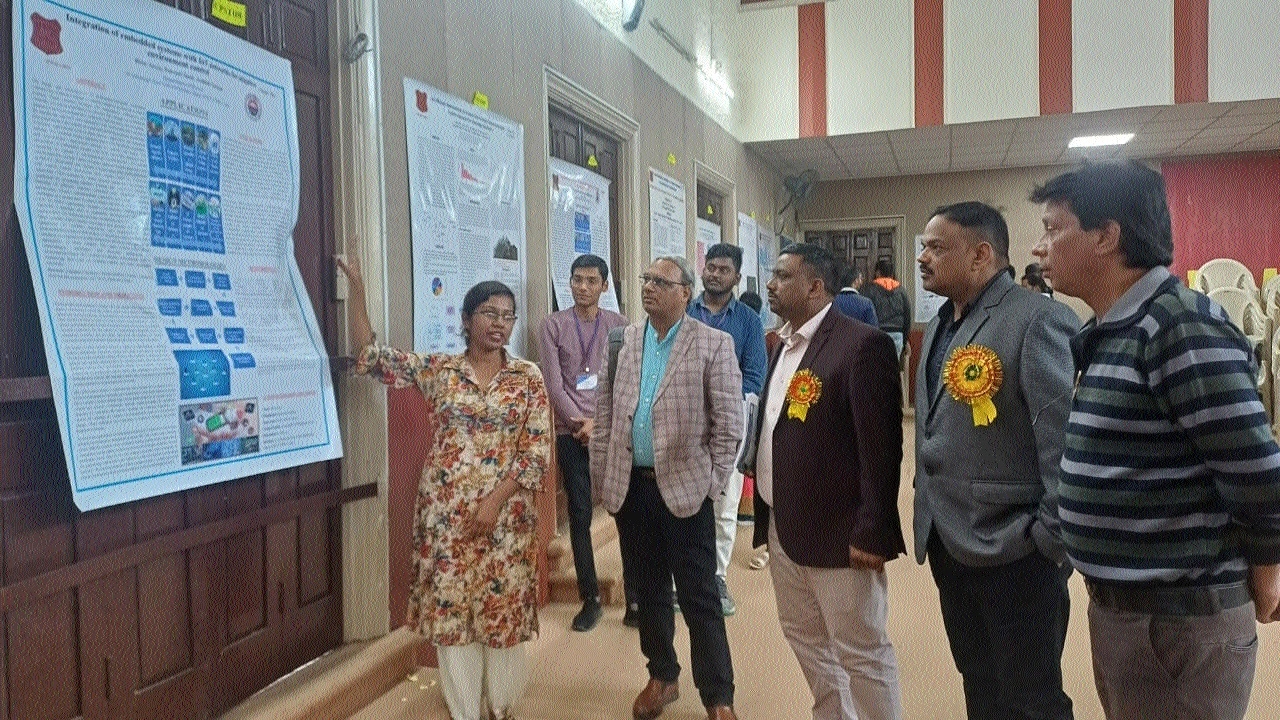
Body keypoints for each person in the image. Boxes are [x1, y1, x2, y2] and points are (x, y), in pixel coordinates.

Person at [1030, 160, 1280, 720]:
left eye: (1053, 228)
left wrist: (1266, 570)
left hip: (1182, 618)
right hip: (1130, 610)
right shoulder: (1114, 327)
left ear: (1106, 236)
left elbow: (1257, 473)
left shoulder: (1179, 326)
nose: (1040, 247)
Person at [338, 252, 550, 720]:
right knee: (454, 611)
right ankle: (464, 711)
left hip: (508, 516)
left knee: (501, 607)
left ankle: (501, 706)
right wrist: (357, 286)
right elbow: (372, 358)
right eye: (489, 313)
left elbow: (535, 453)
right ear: (467, 319)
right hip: (446, 515)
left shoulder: (528, 378)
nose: (500, 323)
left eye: (507, 315)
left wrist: (495, 501)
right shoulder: (441, 371)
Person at [914, 201, 1079, 720]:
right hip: (950, 540)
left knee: (1031, 698)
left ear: (982, 254)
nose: (922, 258)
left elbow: (1064, 445)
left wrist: (1047, 539)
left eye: (936, 247)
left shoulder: (1037, 320)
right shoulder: (943, 322)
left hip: (1015, 551)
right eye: (922, 245)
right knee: (980, 683)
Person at [745, 243, 906, 720]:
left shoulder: (860, 344)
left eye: (781, 276)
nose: (770, 285)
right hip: (783, 528)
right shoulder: (784, 342)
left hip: (840, 534)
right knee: (809, 644)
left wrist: (873, 531)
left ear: (815, 287)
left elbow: (881, 452)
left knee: (861, 652)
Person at [592, 256, 743, 720]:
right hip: (632, 492)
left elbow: (729, 426)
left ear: (686, 293)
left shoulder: (713, 344)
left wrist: (711, 484)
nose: (649, 287)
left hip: (685, 492)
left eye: (661, 281)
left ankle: (719, 698)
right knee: (649, 590)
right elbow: (604, 416)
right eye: (646, 280)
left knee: (700, 598)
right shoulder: (623, 341)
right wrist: (604, 477)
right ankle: (662, 676)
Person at [538, 254, 627, 632]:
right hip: (569, 431)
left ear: (605, 286)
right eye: (576, 279)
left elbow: (624, 381)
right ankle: (589, 598)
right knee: (579, 512)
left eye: (591, 280)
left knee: (625, 508)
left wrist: (599, 422)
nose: (583, 287)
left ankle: (636, 595)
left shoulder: (620, 327)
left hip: (608, 428)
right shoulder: (552, 325)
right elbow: (553, 384)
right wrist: (580, 422)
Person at [688, 243, 767, 616]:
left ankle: (716, 576)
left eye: (723, 270)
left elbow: (754, 375)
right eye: (710, 267)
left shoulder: (749, 321)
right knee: (683, 499)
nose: (714, 274)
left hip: (729, 422)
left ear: (736, 277)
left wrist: (721, 401)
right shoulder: (685, 311)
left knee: (724, 502)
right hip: (684, 421)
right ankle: (683, 577)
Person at [861, 260, 912, 357]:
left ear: (878, 272)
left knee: (877, 367)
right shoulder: (901, 290)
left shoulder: (869, 289)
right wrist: (904, 340)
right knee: (892, 368)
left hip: (877, 333)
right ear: (892, 273)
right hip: (897, 334)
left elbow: (864, 313)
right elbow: (907, 316)